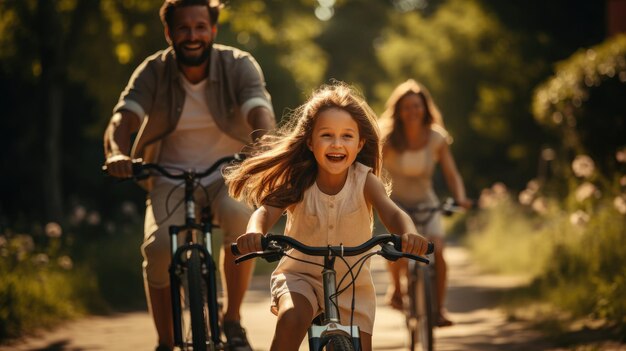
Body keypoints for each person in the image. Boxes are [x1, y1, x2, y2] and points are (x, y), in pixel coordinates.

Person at [103, 0, 275, 350]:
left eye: (200, 27)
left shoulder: (239, 65)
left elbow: (259, 110)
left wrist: (263, 145)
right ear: (169, 33)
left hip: (228, 172)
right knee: (160, 247)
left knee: (240, 218)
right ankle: (165, 341)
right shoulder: (153, 71)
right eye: (183, 28)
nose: (192, 35)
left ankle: (232, 320)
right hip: (168, 176)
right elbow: (124, 118)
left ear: (212, 29)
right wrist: (117, 153)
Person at [224, 82, 430, 351]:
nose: (337, 144)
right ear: (310, 141)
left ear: (360, 144)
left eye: (347, 136)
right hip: (300, 276)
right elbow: (265, 211)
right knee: (292, 317)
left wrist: (408, 234)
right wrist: (255, 232)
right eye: (326, 135)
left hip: (352, 284)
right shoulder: (299, 180)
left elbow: (392, 212)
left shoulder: (365, 181)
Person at [378, 79, 471, 327]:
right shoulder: (387, 138)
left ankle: (438, 310)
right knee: (397, 249)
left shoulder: (436, 138)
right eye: (406, 106)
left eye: (417, 105)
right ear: (398, 111)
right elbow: (374, 170)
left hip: (426, 203)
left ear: (425, 108)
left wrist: (460, 196)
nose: (412, 111)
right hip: (396, 203)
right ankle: (396, 289)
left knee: (438, 251)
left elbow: (451, 173)